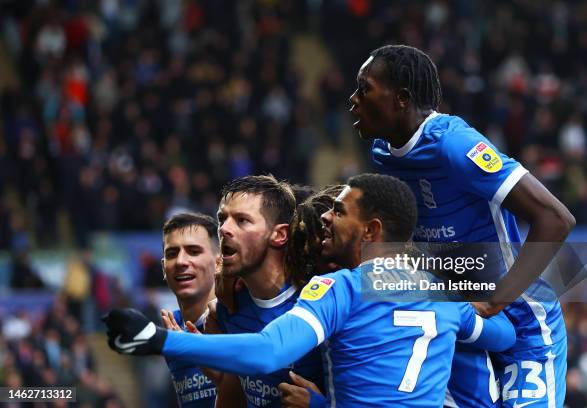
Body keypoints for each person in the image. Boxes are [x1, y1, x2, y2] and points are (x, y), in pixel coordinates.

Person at [103, 173, 517, 407]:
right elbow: (504, 335)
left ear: (371, 230)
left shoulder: (335, 290)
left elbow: (268, 350)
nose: (327, 220)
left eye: (339, 212)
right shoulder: (435, 292)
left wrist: (160, 341)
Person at [352, 44, 575, 407]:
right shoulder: (382, 154)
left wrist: (493, 300)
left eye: (364, 88)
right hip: (458, 322)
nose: (353, 99)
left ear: (402, 98)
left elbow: (556, 219)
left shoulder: (454, 144)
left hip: (520, 318)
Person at [213, 175, 324, 408]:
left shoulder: (320, 304)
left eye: (242, 220)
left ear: (279, 234)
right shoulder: (227, 306)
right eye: (222, 219)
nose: (224, 229)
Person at [158, 212, 218, 407]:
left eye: (193, 251)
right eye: (172, 254)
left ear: (219, 263)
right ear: (163, 268)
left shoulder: (237, 319)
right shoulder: (172, 329)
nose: (181, 261)